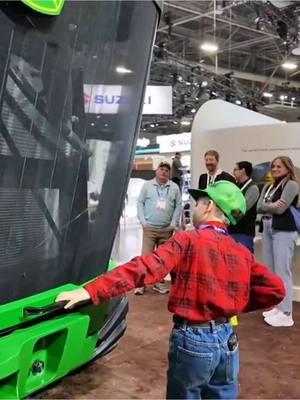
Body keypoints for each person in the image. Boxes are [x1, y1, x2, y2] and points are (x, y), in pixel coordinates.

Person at [57, 181, 285, 400]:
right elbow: (276, 289)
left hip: (193, 340)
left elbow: (144, 269)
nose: (196, 207)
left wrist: (91, 290)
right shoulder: (241, 252)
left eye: (199, 203)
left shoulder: (187, 240)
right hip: (228, 340)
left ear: (210, 206)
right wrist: (234, 302)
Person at [257, 156, 299, 328]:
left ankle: (286, 312)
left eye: (279, 166)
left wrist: (269, 206)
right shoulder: (269, 186)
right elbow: (260, 206)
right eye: (273, 166)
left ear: (288, 168)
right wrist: (271, 206)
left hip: (284, 229)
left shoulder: (291, 185)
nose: (274, 169)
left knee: (283, 271)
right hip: (267, 227)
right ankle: (278, 306)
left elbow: (280, 208)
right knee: (272, 272)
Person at [135, 161, 182, 295]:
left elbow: (178, 205)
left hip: (166, 230)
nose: (163, 172)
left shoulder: (174, 188)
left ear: (169, 174)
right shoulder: (147, 185)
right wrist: (143, 221)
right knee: (145, 258)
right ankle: (141, 284)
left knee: (162, 259)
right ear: (157, 171)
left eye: (166, 170)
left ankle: (158, 283)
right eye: (161, 169)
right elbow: (140, 203)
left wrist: (173, 223)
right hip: (149, 228)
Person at [229, 161, 259, 253]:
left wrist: (227, 216)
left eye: (235, 170)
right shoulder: (236, 186)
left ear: (243, 171)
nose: (233, 172)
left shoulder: (252, 188)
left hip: (244, 232)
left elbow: (242, 209)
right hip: (232, 230)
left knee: (244, 261)